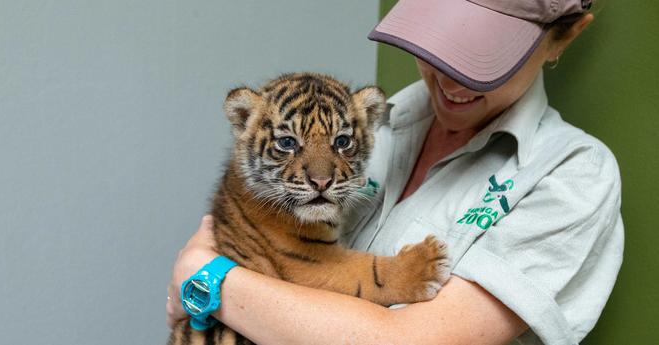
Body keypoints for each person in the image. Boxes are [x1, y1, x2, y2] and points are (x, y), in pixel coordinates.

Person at [166, 0, 624, 343]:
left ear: (563, 36)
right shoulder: (377, 118)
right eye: (440, 40)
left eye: (483, 55)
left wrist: (205, 275)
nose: (449, 78)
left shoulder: (570, 175)